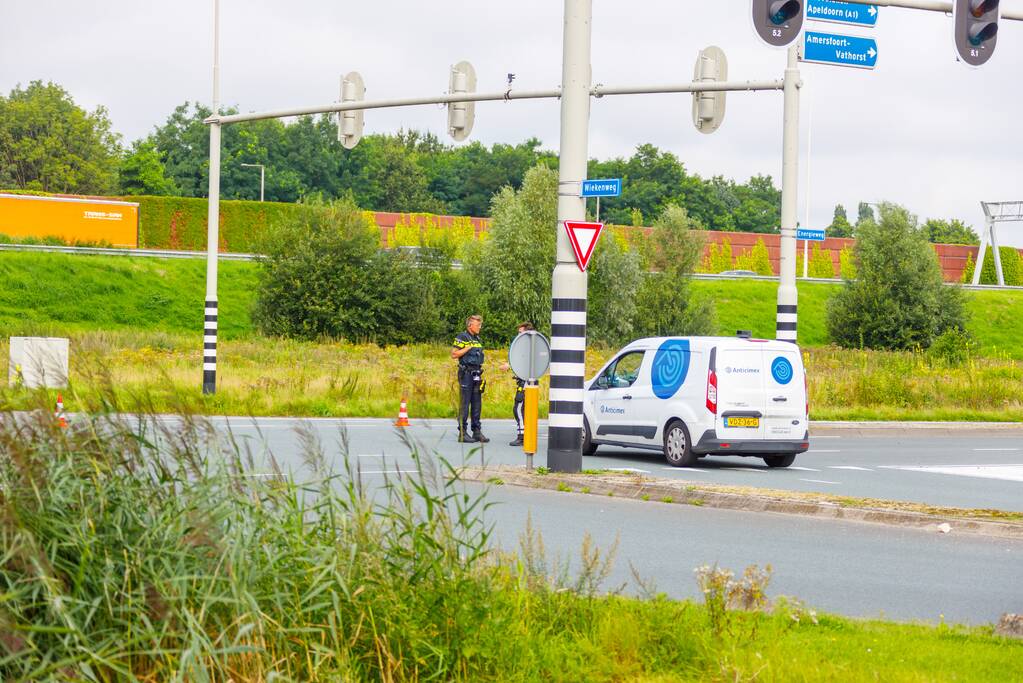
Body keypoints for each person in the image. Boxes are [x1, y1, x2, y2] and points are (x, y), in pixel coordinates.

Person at [451, 314, 489, 443]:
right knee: (465, 403)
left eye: (480, 324)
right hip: (466, 373)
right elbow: (454, 354)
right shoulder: (462, 337)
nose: (480, 327)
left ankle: (476, 431)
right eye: (478, 325)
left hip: (476, 374)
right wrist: (467, 348)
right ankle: (462, 433)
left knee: (477, 403)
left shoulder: (477, 338)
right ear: (470, 325)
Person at [501, 322, 534, 446]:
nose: (518, 336)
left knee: (518, 408)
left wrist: (509, 366)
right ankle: (526, 435)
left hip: (526, 381)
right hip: (527, 381)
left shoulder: (528, 347)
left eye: (520, 333)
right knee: (524, 409)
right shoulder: (529, 346)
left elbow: (525, 363)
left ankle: (522, 436)